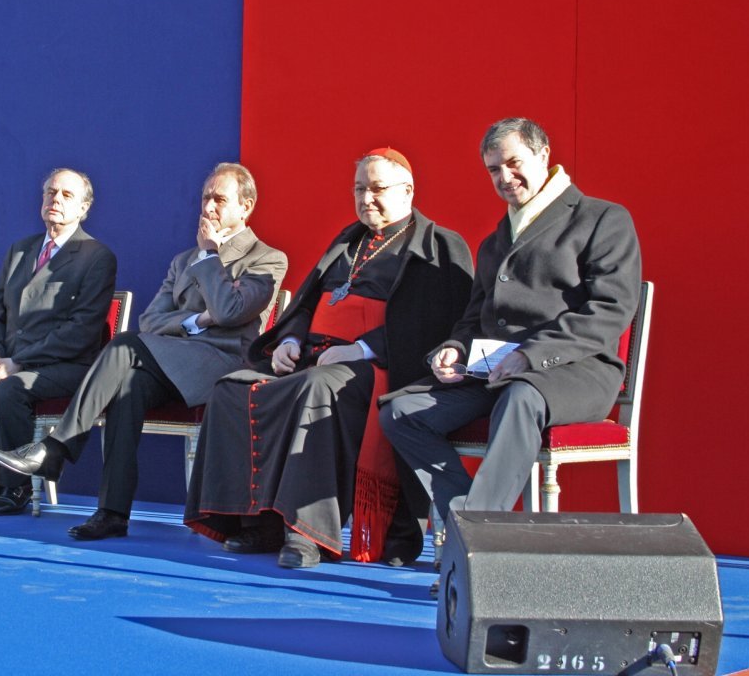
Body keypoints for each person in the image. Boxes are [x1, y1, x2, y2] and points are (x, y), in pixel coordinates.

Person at [183, 150, 473, 568]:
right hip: (315, 356)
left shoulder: (439, 245)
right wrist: (290, 340)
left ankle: (308, 535)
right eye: (359, 189)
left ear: (407, 190)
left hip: (379, 366)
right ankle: (256, 523)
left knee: (315, 388)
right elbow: (306, 302)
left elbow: (438, 323)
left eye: (377, 189)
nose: (366, 198)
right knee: (232, 388)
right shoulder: (347, 240)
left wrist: (363, 348)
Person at [0, 163, 288, 539]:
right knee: (126, 389)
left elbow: (229, 311)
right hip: (167, 361)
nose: (208, 207)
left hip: (219, 366)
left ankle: (56, 448)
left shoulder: (266, 258)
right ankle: (112, 513)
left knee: (125, 344)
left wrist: (211, 259)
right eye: (206, 197)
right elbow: (151, 320)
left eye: (220, 199)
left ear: (246, 207)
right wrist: (198, 320)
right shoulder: (183, 260)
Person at [380, 117, 642, 524]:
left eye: (514, 163)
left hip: (576, 372)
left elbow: (611, 310)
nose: (505, 177)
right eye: (493, 169)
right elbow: (473, 318)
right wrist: (455, 348)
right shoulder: (494, 241)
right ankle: (468, 517)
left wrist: (533, 356)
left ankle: (481, 535)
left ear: (544, 155)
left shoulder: (602, 219)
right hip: (496, 372)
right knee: (402, 413)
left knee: (520, 397)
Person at [0, 168, 116, 516]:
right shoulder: (20, 250)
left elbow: (81, 330)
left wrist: (18, 363)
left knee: (9, 389)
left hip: (62, 367)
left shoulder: (95, 256)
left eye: (66, 195)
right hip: (6, 362)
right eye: (50, 192)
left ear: (84, 208)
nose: (55, 199)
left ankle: (17, 488)